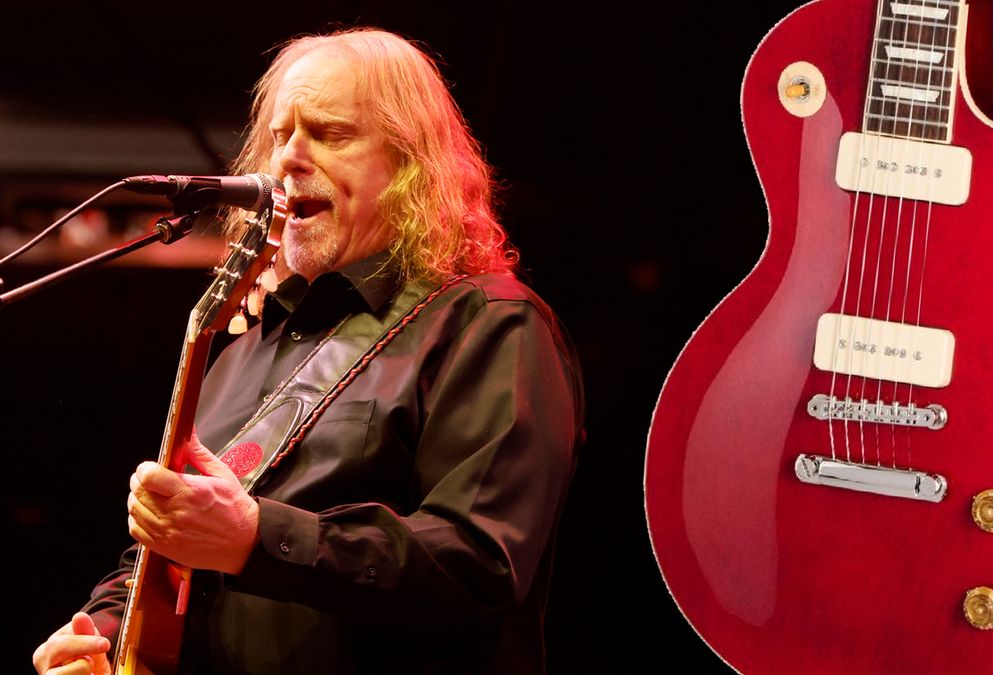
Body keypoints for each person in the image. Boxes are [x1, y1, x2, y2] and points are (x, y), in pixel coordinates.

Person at [32, 28, 583, 675]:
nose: (288, 159)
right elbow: (166, 549)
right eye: (279, 136)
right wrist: (103, 633)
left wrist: (255, 537)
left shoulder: (488, 325)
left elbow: (479, 562)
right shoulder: (245, 346)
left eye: (329, 134)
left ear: (410, 163)